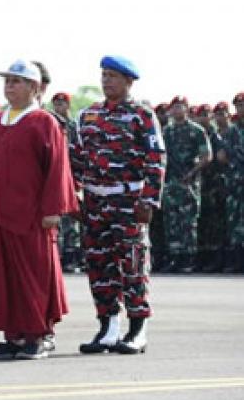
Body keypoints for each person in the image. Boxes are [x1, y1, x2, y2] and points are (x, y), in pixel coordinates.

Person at [0, 60, 77, 360]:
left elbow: (57, 169)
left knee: (33, 278)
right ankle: (13, 336)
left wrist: (53, 208)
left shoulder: (44, 122)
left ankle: (39, 334)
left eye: (16, 81)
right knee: (2, 279)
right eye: (7, 81)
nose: (9, 87)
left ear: (34, 87)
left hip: (29, 218)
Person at [72, 56, 166, 355]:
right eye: (104, 75)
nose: (106, 81)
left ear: (129, 81)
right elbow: (75, 158)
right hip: (95, 201)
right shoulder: (88, 115)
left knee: (133, 265)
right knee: (99, 265)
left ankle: (137, 330)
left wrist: (149, 199)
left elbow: (155, 157)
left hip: (128, 201)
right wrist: (74, 194)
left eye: (113, 75)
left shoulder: (142, 115)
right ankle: (108, 328)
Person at [161, 96, 211, 273]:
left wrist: (192, 172)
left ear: (187, 109)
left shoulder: (196, 131)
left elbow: (207, 156)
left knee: (188, 222)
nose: (176, 110)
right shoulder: (166, 132)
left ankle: (189, 259)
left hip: (188, 183)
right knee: (171, 221)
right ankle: (175, 257)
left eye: (180, 107)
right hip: (170, 184)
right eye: (174, 107)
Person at [50, 92, 83, 273]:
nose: (59, 107)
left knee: (72, 221)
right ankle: (61, 257)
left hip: (72, 178)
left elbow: (79, 154)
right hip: (57, 177)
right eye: (56, 103)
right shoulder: (50, 123)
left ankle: (73, 258)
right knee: (59, 219)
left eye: (62, 103)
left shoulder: (74, 126)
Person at [193, 104, 227, 272]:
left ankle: (217, 261)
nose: (202, 118)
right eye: (200, 115)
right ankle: (205, 260)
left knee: (215, 225)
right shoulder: (199, 133)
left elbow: (221, 159)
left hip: (214, 185)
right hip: (202, 186)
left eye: (206, 115)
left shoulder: (215, 137)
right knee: (204, 224)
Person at [221, 92, 244, 273]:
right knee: (235, 221)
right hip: (234, 183)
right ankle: (237, 261)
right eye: (238, 106)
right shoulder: (232, 130)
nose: (240, 109)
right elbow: (222, 156)